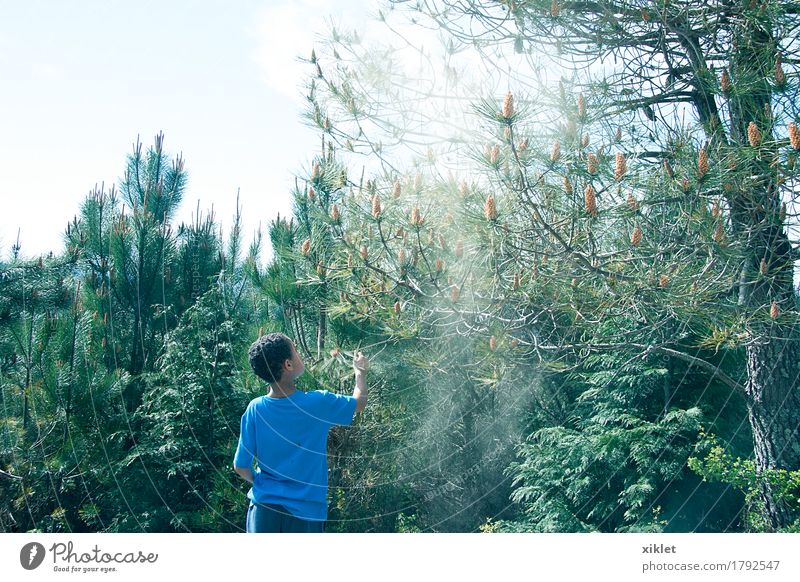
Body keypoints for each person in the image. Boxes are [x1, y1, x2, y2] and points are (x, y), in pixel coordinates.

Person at [232, 332, 369, 533]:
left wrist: (265, 484)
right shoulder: (316, 404)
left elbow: (241, 466)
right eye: (295, 350)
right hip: (305, 512)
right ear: (288, 365)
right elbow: (359, 403)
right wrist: (360, 373)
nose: (299, 353)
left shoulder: (255, 409)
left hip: (263, 510)